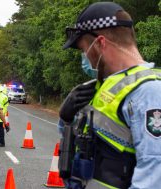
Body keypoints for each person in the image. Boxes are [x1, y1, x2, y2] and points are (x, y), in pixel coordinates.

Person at [58, 2, 161, 189]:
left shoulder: (149, 92)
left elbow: (154, 173)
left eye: (84, 50)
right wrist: (66, 119)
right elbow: (89, 148)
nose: (85, 57)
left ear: (100, 43)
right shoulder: (105, 87)